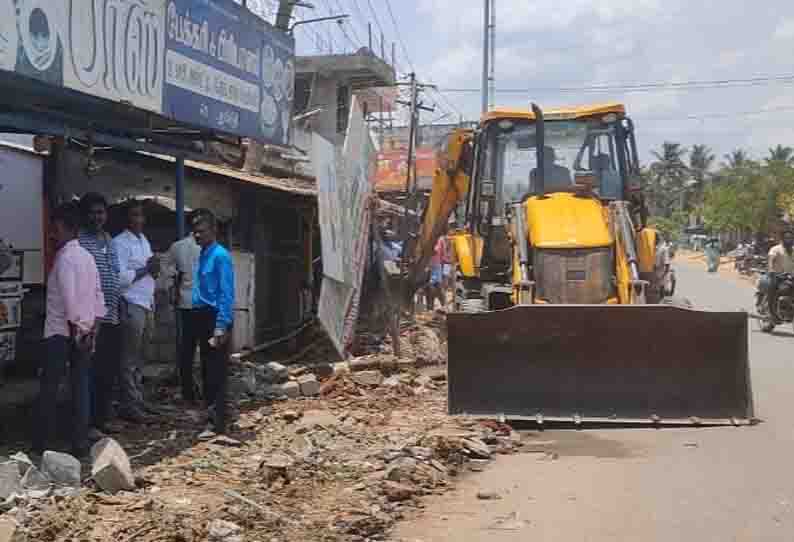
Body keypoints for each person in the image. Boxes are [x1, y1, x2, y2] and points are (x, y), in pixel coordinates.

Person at [35, 203, 105, 457]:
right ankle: (79, 444)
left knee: (50, 388)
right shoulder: (87, 258)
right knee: (80, 388)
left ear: (66, 228)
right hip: (84, 332)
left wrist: (78, 327)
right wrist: (91, 329)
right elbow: (99, 298)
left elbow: (69, 299)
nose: (53, 233)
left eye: (55, 228)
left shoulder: (64, 258)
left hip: (61, 333)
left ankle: (42, 444)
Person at [185, 209, 235, 434]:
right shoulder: (204, 253)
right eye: (194, 231)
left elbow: (226, 293)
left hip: (215, 318)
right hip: (201, 316)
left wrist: (221, 325)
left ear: (214, 230)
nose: (197, 235)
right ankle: (211, 416)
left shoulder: (220, 256)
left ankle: (218, 424)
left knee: (216, 371)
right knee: (206, 369)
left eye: (201, 231)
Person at [112, 200, 160, 422]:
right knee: (128, 359)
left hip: (146, 302)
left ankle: (137, 400)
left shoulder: (143, 240)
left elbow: (150, 271)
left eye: (141, 215)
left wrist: (154, 269)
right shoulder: (119, 243)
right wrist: (146, 269)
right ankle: (128, 405)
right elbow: (120, 279)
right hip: (130, 303)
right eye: (133, 215)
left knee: (141, 357)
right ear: (126, 219)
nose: (138, 220)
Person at [78, 193, 121, 435]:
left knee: (107, 370)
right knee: (90, 371)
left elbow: (114, 274)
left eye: (101, 212)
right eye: (93, 212)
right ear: (85, 215)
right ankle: (89, 424)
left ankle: (102, 419)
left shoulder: (108, 239)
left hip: (112, 314)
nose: (98, 217)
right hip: (91, 318)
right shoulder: (81, 241)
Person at [164, 216, 201, 401]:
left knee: (187, 348)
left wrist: (173, 283)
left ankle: (189, 391)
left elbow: (167, 268)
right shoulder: (212, 247)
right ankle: (201, 390)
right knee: (204, 349)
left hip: (187, 303)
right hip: (204, 304)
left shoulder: (178, 246)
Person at [766, 230, 794, 323]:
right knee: (773, 291)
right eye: (787, 238)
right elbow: (771, 259)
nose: (789, 240)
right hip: (777, 275)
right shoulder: (776, 249)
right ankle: (772, 313)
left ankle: (788, 310)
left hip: (790, 277)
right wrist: (771, 270)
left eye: (790, 238)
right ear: (783, 239)